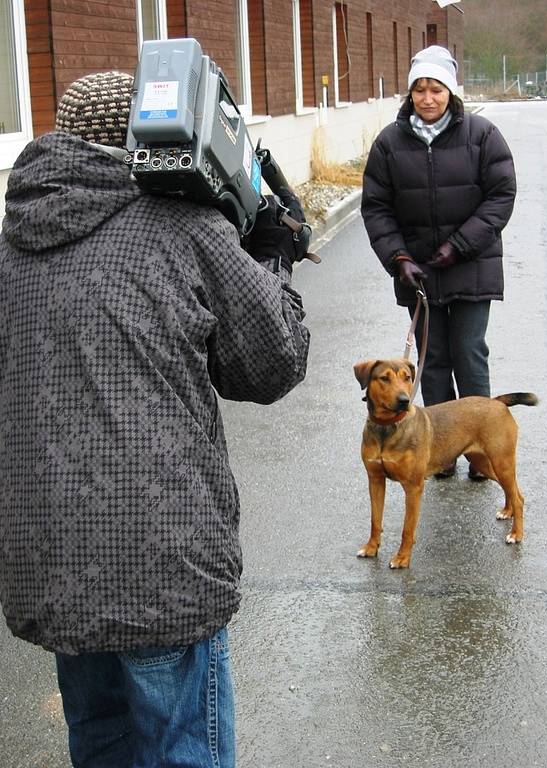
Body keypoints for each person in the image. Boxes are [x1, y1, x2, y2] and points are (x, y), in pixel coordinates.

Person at [0, 71, 310, 768]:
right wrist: (271, 255)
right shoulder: (184, 229)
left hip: (51, 561)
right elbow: (272, 363)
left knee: (100, 744)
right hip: (161, 563)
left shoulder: (12, 243)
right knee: (183, 754)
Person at [361, 45, 517, 479]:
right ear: (410, 93)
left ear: (450, 90)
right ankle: (440, 454)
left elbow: (500, 196)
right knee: (432, 363)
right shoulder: (389, 144)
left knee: (469, 354)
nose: (428, 98)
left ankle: (480, 452)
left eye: (436, 89)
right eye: (419, 90)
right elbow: (376, 208)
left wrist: (460, 245)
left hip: (470, 266)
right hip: (420, 275)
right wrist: (399, 258)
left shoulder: (482, 135)